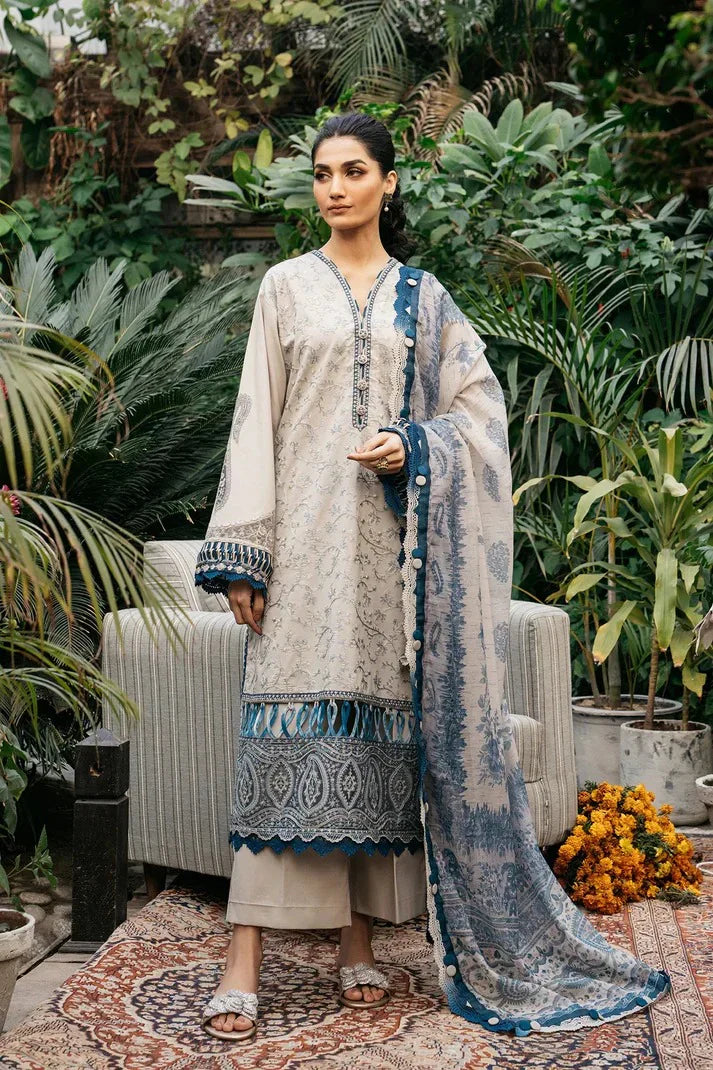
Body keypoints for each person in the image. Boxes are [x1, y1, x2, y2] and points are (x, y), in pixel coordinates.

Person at [195, 112, 671, 1043]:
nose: (335, 188)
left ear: (388, 182)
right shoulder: (284, 287)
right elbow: (255, 420)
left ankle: (358, 941)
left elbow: (480, 416)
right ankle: (241, 956)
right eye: (322, 174)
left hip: (395, 562)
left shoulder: (427, 299)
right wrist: (245, 555)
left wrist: (415, 446)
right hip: (304, 552)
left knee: (378, 743)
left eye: (353, 171)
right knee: (280, 735)